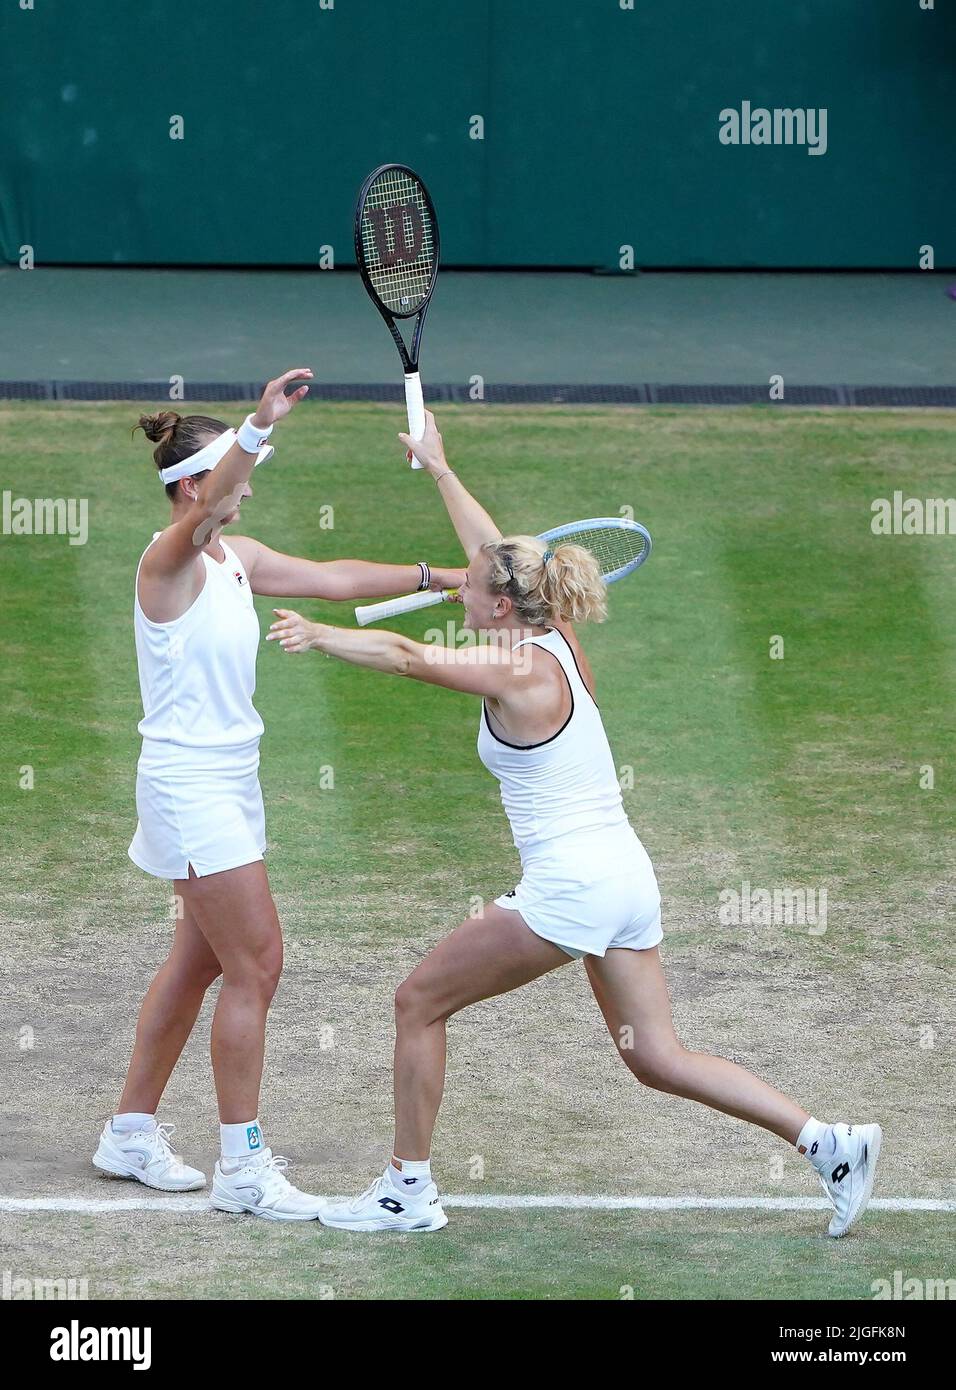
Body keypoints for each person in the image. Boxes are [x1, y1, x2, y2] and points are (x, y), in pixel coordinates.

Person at [267, 411, 882, 1237]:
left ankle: (404, 1191)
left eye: (471, 586)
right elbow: (499, 554)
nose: (461, 583)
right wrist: (443, 470)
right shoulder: (551, 634)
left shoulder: (516, 673)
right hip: (625, 878)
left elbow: (412, 658)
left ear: (492, 605)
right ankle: (830, 1143)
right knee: (654, 1056)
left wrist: (320, 634)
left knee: (416, 1002)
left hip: (574, 888)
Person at [93, 373, 464, 1221]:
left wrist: (445, 575)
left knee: (199, 960)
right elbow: (221, 498)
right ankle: (242, 1170)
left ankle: (129, 1132)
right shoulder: (168, 560)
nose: (248, 489)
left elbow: (333, 578)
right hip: (191, 788)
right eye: (232, 475)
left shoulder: (235, 560)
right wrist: (259, 423)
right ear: (194, 488)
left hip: (229, 782)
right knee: (257, 963)